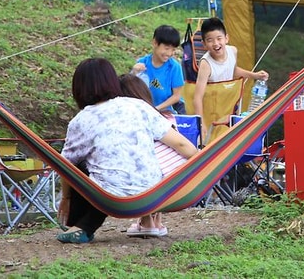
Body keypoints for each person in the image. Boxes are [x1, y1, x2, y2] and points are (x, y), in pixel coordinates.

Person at [56, 57, 198, 244]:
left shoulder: (82, 120)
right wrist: (201, 166)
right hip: (152, 192)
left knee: (79, 165)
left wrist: (65, 198)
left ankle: (78, 225)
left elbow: (65, 167)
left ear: (79, 89)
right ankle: (83, 226)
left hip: (110, 196)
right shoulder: (137, 106)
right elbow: (182, 146)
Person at [119, 73, 191, 234]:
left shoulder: (127, 119)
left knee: (145, 163)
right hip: (176, 178)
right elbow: (181, 145)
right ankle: (155, 220)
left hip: (151, 182)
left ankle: (147, 221)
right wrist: (200, 159)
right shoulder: (162, 117)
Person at [192, 17, 269, 141]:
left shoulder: (232, 51)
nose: (216, 44)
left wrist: (254, 75)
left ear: (226, 38)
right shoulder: (206, 64)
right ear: (204, 44)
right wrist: (201, 123)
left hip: (229, 106)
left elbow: (232, 70)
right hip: (212, 111)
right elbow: (197, 97)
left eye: (219, 38)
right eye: (210, 40)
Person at [130, 24, 186, 117]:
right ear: (155, 43)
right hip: (143, 111)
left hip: (165, 112)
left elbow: (176, 97)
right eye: (167, 48)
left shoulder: (174, 67)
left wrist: (156, 109)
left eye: (173, 50)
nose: (169, 53)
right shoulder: (142, 63)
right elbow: (131, 88)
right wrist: (134, 72)